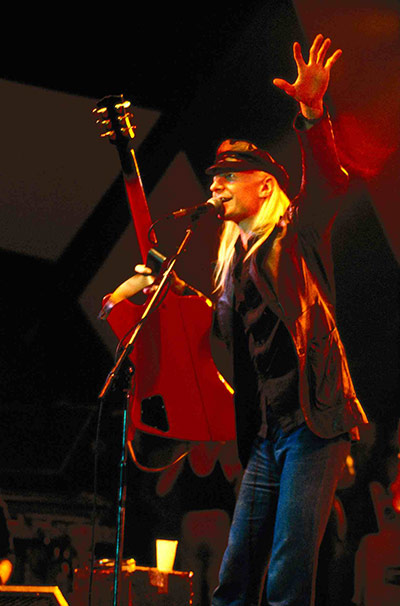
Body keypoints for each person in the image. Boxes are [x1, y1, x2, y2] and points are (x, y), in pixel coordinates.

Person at [120, 33, 369, 606]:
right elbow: (220, 329)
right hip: (266, 433)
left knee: (286, 575)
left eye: (226, 177)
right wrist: (171, 287)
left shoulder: (299, 235)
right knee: (236, 574)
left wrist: (311, 112)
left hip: (316, 423)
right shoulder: (231, 266)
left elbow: (331, 180)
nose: (214, 186)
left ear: (264, 185)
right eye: (212, 179)